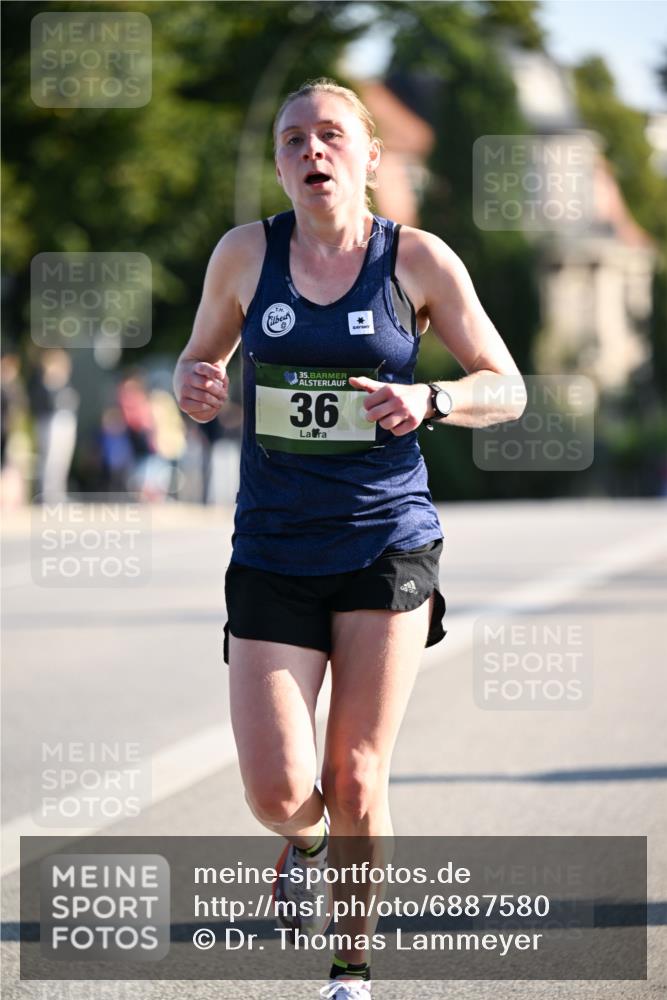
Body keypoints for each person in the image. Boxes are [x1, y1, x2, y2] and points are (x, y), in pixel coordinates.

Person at [174, 77, 526, 997]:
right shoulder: (245, 255)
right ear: (280, 162)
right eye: (292, 139)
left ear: (371, 157)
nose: (310, 152)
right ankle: (307, 843)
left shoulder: (418, 261)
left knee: (358, 770)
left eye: (331, 136)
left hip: (385, 543)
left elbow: (507, 384)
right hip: (273, 548)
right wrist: (196, 382)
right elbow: (199, 355)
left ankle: (349, 967)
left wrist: (433, 397)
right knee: (276, 790)